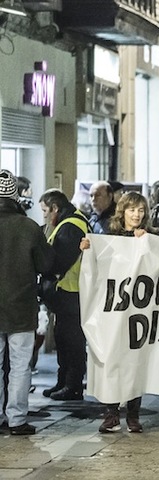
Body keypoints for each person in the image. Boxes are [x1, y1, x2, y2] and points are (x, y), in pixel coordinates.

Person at [80, 191, 149, 432]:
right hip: (112, 310)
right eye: (132, 210)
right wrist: (89, 249)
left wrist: (146, 243)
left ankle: (133, 414)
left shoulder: (150, 238)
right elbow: (99, 264)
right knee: (110, 358)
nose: (137, 215)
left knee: (135, 361)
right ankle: (111, 413)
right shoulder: (109, 237)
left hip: (138, 313)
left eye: (140, 210)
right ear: (123, 211)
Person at [0, 170, 52, 435]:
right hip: (21, 306)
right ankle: (17, 419)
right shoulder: (29, 226)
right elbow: (46, 264)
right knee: (20, 365)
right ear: (15, 196)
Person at [39, 189, 91, 402]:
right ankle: (64, 382)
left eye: (45, 211)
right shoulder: (71, 221)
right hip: (69, 291)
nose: (43, 216)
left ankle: (72, 386)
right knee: (63, 338)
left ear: (55, 208)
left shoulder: (70, 226)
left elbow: (59, 261)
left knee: (71, 341)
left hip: (72, 291)